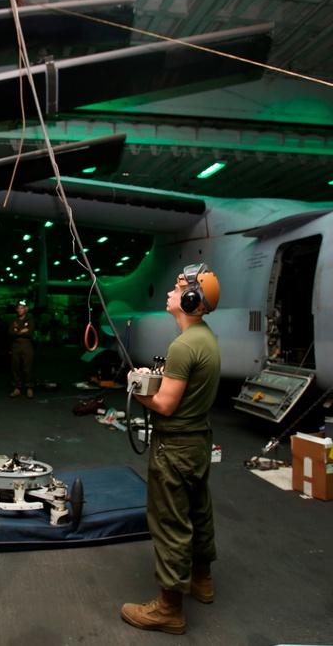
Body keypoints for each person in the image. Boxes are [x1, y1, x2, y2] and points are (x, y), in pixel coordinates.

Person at [121, 263, 222, 635]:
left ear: (192, 300)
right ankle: (202, 581)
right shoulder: (206, 338)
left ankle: (168, 608)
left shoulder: (183, 346)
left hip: (174, 446)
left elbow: (164, 405)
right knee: (199, 512)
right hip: (197, 441)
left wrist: (136, 385)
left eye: (178, 288)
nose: (169, 292)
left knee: (170, 523)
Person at [8, 300, 35, 398]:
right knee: (15, 367)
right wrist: (22, 331)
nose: (20, 310)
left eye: (22, 308)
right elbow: (11, 333)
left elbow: (30, 332)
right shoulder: (14, 320)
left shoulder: (30, 320)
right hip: (16, 345)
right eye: (18, 308)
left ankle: (29, 387)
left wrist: (17, 330)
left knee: (28, 366)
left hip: (27, 345)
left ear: (26, 309)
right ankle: (17, 387)